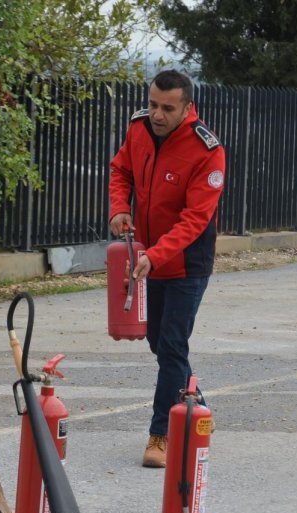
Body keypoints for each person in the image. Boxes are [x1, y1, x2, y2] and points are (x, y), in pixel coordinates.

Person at [108, 70, 226, 468]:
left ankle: (160, 436)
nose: (157, 114)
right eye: (154, 104)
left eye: (167, 108)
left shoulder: (207, 151)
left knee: (173, 345)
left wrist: (157, 256)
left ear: (187, 108)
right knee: (159, 342)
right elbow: (120, 170)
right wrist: (120, 208)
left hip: (186, 264)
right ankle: (198, 409)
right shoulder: (139, 128)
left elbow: (196, 219)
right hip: (147, 257)